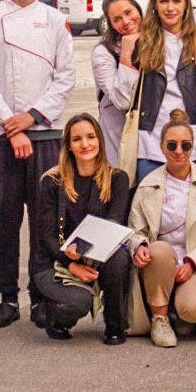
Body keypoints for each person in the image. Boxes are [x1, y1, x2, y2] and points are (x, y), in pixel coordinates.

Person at [0, 0, 76, 330]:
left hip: (45, 135)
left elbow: (65, 77)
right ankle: (7, 298)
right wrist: (9, 124)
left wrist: (30, 118)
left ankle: (40, 296)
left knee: (45, 223)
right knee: (3, 222)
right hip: (0, 137)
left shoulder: (55, 20)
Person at [127, 110, 196, 346]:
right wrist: (139, 246)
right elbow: (136, 230)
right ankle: (160, 318)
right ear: (162, 147)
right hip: (160, 262)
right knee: (159, 249)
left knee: (193, 311)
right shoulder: (148, 184)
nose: (178, 151)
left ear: (193, 147)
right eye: (171, 145)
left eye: (185, 145)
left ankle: (179, 310)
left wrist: (192, 262)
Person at [32, 114, 131, 345]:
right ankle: (52, 314)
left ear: (100, 141)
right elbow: (47, 236)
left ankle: (115, 325)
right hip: (56, 261)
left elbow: (113, 224)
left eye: (90, 137)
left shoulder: (117, 179)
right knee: (78, 302)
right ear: (68, 145)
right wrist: (70, 262)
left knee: (119, 257)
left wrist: (84, 252)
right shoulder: (52, 181)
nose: (85, 144)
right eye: (77, 139)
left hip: (98, 255)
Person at [115, 0, 196, 180]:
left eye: (176, 1)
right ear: (154, 4)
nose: (170, 8)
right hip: (150, 147)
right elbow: (122, 100)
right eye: (164, 1)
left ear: (186, 5)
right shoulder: (141, 43)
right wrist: (126, 56)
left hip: (192, 146)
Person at [92, 0, 144, 166]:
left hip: (151, 138)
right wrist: (126, 54)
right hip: (117, 134)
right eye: (117, 19)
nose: (126, 21)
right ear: (111, 24)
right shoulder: (103, 53)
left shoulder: (156, 42)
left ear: (138, 8)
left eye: (128, 12)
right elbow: (122, 101)